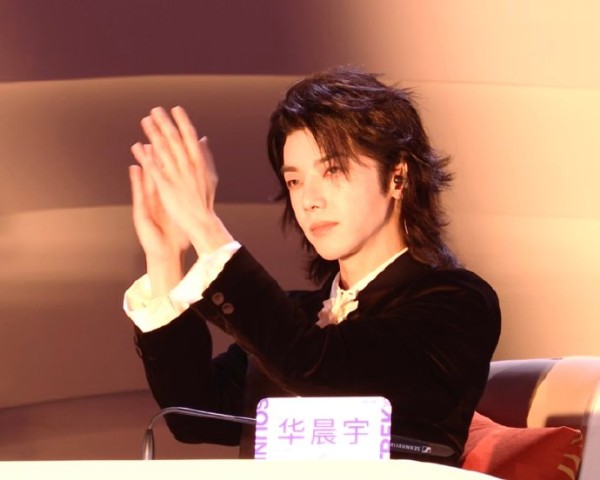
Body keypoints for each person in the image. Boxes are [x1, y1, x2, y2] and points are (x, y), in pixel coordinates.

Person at [123, 66, 501, 466]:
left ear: (397, 176)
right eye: (295, 181)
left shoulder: (458, 303)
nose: (309, 200)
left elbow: (315, 367)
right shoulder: (298, 316)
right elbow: (196, 417)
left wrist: (206, 227)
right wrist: (165, 257)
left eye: (333, 170)